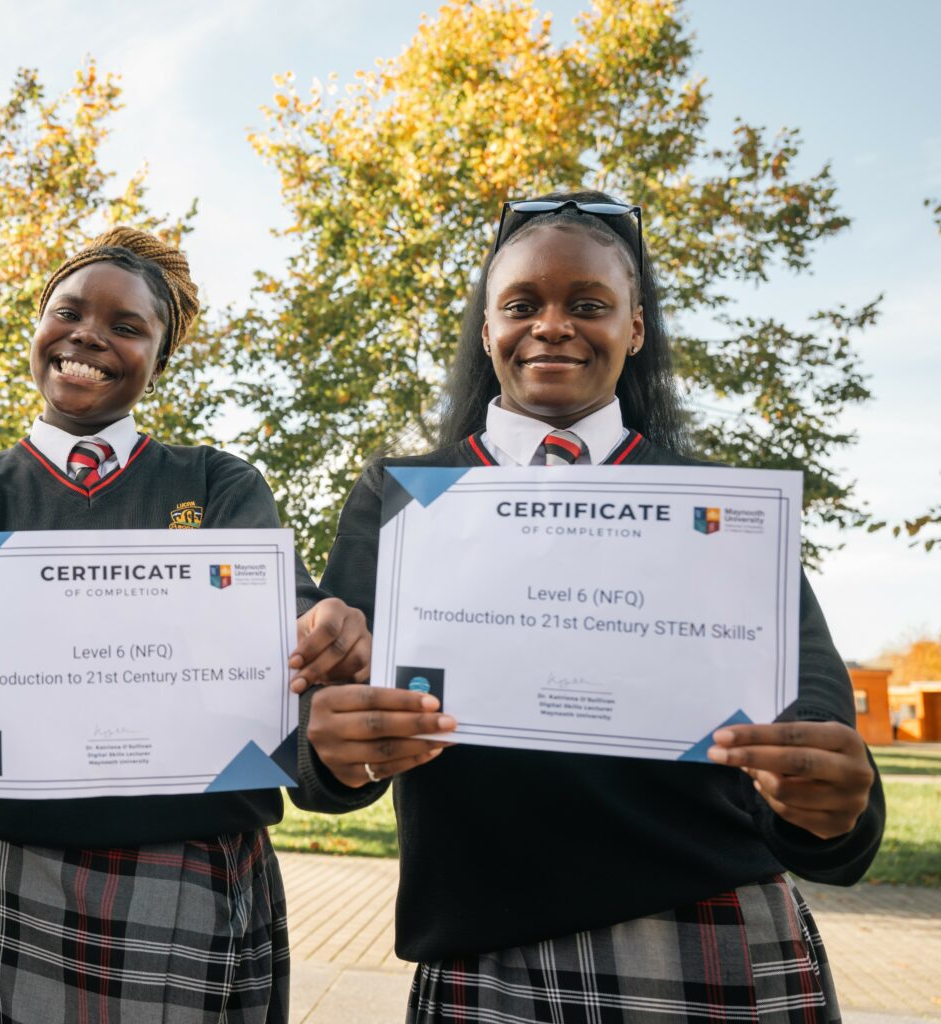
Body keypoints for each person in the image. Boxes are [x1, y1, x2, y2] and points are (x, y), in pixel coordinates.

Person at [297, 191, 885, 1023]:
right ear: (487, 329)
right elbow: (328, 754)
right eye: (521, 305)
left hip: (715, 932)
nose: (552, 325)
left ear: (634, 330)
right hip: (483, 951)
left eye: (589, 305)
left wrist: (833, 807)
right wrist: (331, 747)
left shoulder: (723, 508)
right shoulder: (400, 498)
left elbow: (820, 731)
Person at [0, 227, 370, 1023]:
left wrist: (327, 643)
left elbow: (289, 654)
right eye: (68, 312)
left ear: (159, 359)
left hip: (193, 875)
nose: (90, 334)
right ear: (39, 329)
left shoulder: (220, 484)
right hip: (9, 868)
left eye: (127, 326)